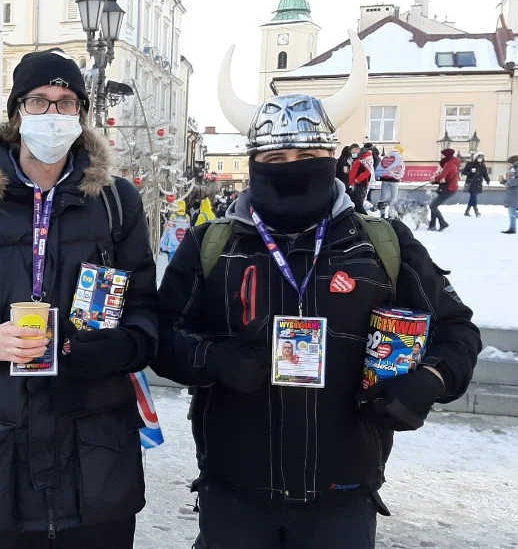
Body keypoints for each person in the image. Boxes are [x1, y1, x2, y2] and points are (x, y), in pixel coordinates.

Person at [156, 33, 481, 549]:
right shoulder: (212, 244)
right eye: (277, 156)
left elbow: (457, 329)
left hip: (344, 496)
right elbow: (163, 335)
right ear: (253, 162)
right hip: (235, 494)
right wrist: (215, 359)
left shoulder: (382, 244)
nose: (293, 166)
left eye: (308, 153)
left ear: (333, 156)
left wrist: (430, 381)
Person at [0, 48, 159, 548]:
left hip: (94, 447)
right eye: (39, 101)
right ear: (17, 113)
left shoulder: (115, 203)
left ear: (81, 116)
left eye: (67, 103)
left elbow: (147, 315)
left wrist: (104, 350)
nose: (53, 113)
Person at [428, 148, 461, 231]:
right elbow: (446, 177)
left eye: (442, 155)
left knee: (433, 206)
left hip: (449, 189)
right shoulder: (451, 163)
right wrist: (436, 180)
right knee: (434, 205)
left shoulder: (449, 164)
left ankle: (443, 223)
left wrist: (434, 179)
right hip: (448, 187)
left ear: (446, 155)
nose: (440, 157)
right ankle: (432, 225)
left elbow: (442, 176)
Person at [374, 150, 405, 219]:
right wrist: (398, 177)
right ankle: (391, 214)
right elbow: (401, 169)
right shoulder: (399, 159)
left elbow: (379, 167)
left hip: (384, 180)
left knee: (383, 197)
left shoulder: (385, 158)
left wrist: (382, 175)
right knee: (393, 198)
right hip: (394, 181)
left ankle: (382, 213)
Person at [348, 144, 375, 213]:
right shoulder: (360, 157)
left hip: (361, 184)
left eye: (353, 152)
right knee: (356, 204)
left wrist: (358, 180)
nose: (353, 154)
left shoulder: (366, 157)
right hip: (356, 184)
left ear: (358, 150)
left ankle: (365, 219)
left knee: (359, 204)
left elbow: (368, 171)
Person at [462, 152, 490, 217]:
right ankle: (476, 211)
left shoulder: (482, 165)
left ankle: (467, 211)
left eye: (481, 157)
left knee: (473, 197)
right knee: (473, 196)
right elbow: (464, 172)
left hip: (478, 183)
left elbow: (485, 174)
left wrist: (487, 180)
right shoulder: (470, 164)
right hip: (471, 182)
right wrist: (470, 172)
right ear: (476, 157)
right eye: (479, 157)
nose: (480, 159)